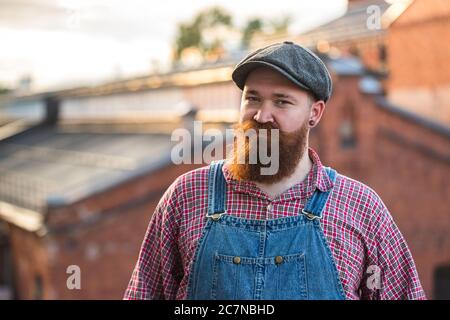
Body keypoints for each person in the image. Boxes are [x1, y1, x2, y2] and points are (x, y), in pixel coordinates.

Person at [124, 41, 426, 300]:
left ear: (315, 113)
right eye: (252, 98)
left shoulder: (361, 207)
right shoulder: (187, 195)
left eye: (281, 101)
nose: (262, 115)